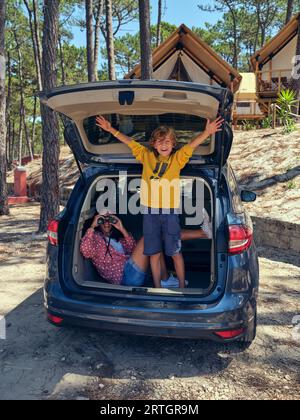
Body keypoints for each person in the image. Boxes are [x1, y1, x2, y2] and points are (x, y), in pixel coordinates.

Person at [95, 116, 222, 288]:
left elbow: (191, 145)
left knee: (175, 252)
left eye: (168, 142)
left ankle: (182, 288)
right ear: (154, 144)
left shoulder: (177, 159)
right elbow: (130, 142)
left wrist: (207, 132)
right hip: (150, 212)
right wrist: (110, 129)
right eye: (160, 142)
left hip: (170, 212)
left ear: (173, 144)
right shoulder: (146, 156)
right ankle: (157, 288)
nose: (164, 145)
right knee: (153, 253)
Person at [80, 210, 211, 288]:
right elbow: (85, 251)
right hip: (125, 277)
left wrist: (121, 228)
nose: (107, 222)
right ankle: (203, 233)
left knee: (157, 238)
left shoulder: (116, 239)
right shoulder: (95, 238)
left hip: (131, 270)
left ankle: (165, 280)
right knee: (151, 237)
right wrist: (92, 226)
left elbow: (132, 248)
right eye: (103, 220)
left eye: (109, 219)